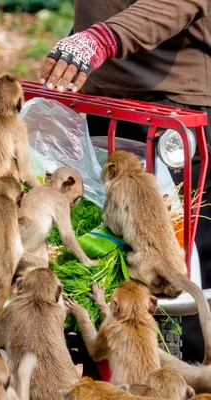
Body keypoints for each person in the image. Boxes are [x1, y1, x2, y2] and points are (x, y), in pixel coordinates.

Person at [40, 0, 211, 363]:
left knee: (181, 256)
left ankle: (190, 375)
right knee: (102, 239)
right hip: (100, 96)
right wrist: (78, 41)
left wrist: (100, 38)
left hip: (172, 103)